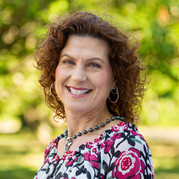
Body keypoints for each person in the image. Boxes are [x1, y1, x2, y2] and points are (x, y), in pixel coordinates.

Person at [34, 11, 154, 179]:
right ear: (54, 70)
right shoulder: (56, 147)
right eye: (68, 61)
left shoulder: (126, 147)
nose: (77, 76)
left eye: (94, 65)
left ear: (115, 78)